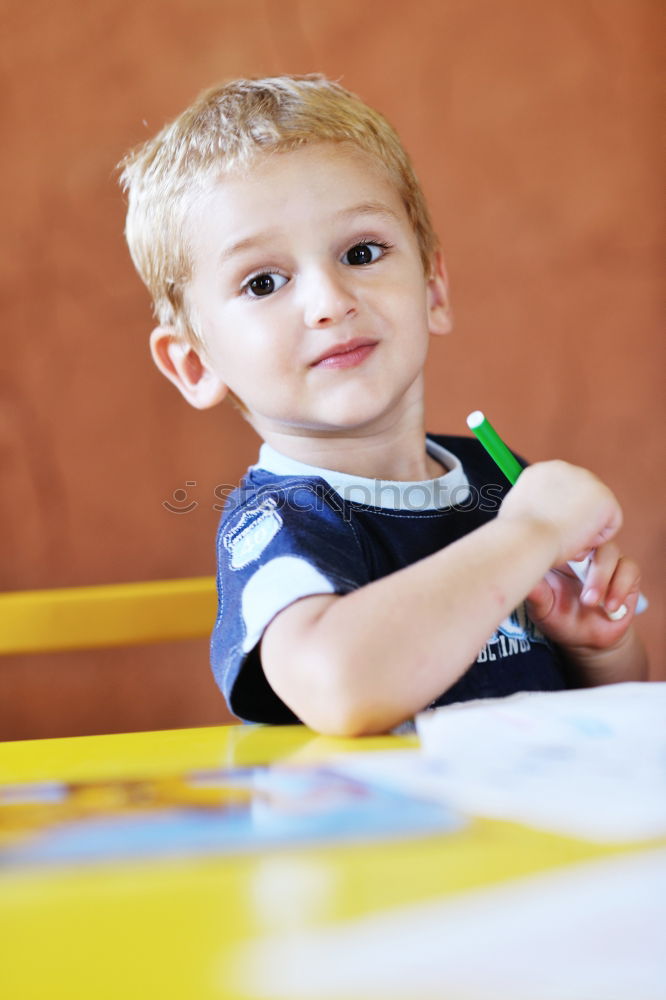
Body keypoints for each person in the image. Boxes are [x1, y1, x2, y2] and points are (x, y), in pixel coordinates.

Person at [119, 75, 647, 735]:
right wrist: (530, 535)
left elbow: (606, 717)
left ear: (432, 289)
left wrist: (599, 647)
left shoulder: (495, 477)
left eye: (361, 253)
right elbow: (341, 685)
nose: (330, 301)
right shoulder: (280, 522)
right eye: (263, 282)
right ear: (195, 363)